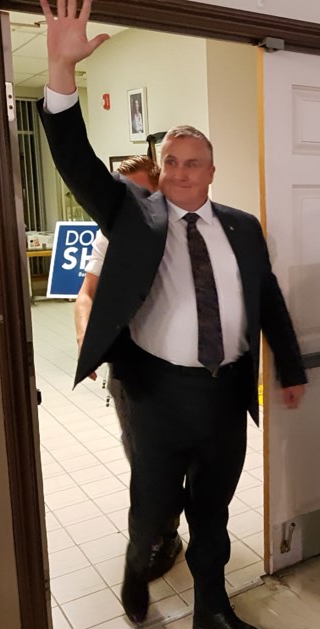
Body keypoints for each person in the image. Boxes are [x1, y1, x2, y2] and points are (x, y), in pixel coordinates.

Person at [37, 2, 308, 629]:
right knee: (153, 509)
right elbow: (75, 159)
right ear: (161, 170)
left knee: (212, 511)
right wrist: (60, 68)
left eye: (196, 162)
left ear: (212, 171)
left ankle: (213, 609)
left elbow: (266, 297)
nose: (184, 171)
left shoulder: (243, 227)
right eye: (174, 161)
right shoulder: (135, 215)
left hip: (224, 391)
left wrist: (289, 367)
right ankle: (137, 569)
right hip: (156, 392)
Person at [74, 155, 183, 583]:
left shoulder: (181, 232)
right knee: (142, 455)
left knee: (182, 455)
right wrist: (86, 338)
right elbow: (86, 294)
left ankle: (174, 528)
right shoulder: (112, 235)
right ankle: (162, 535)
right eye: (125, 194)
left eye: (141, 194)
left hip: (179, 366)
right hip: (131, 367)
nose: (132, 204)